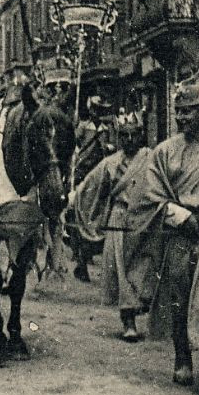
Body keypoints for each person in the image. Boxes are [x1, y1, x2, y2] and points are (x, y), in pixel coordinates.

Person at [129, 73, 199, 392]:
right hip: (180, 231)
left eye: (188, 111)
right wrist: (180, 216)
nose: (181, 118)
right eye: (178, 112)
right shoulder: (164, 152)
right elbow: (150, 194)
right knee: (178, 297)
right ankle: (182, 357)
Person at [70, 111, 153, 340]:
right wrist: (72, 199)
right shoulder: (110, 164)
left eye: (133, 135)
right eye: (124, 136)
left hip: (146, 219)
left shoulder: (151, 158)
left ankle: (141, 306)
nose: (129, 140)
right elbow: (89, 186)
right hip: (119, 218)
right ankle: (128, 321)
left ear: (141, 135)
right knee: (121, 269)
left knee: (143, 266)